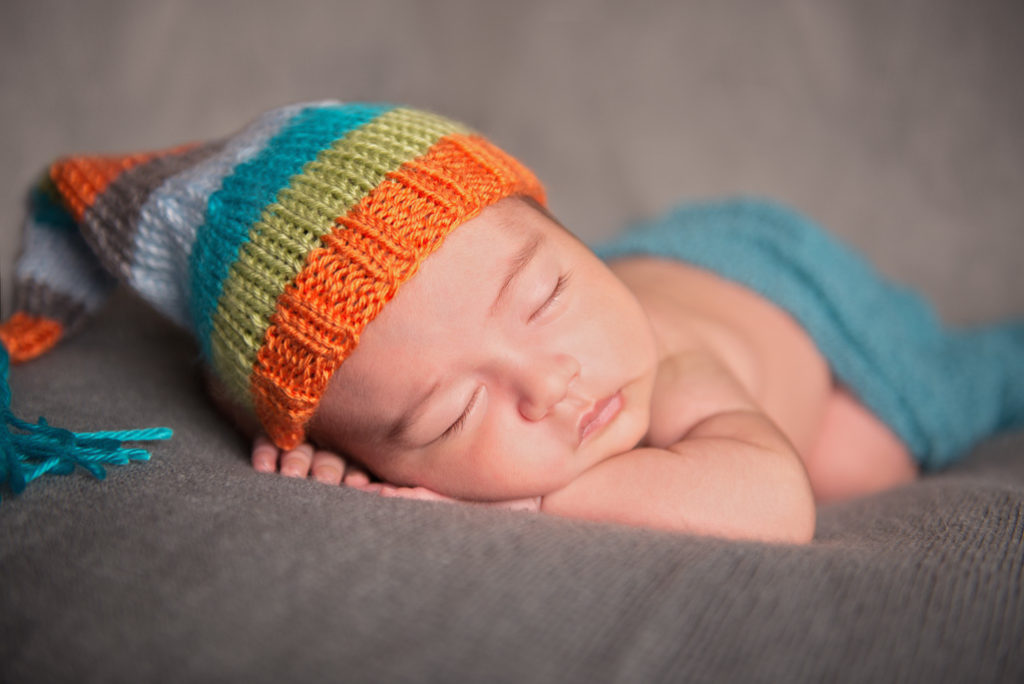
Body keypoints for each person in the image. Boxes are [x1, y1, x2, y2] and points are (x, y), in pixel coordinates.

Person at [2, 101, 1021, 542]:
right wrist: (309, 453)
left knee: (861, 459)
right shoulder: (448, 361)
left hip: (783, 298)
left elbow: (770, 503)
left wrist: (524, 506)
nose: (552, 386)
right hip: (631, 268)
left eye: (542, 298)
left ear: (557, 221)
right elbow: (277, 394)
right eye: (448, 417)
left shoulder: (665, 364)